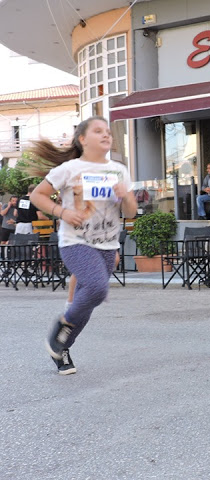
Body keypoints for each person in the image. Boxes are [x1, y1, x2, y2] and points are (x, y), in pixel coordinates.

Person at [29, 115, 137, 375]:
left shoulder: (118, 170)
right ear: (82, 139)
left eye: (108, 132)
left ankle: (62, 348)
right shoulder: (69, 169)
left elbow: (131, 212)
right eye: (98, 131)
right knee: (97, 289)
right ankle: (61, 325)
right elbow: (37, 195)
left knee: (87, 301)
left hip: (107, 244)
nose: (106, 135)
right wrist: (62, 212)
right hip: (75, 241)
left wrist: (125, 196)